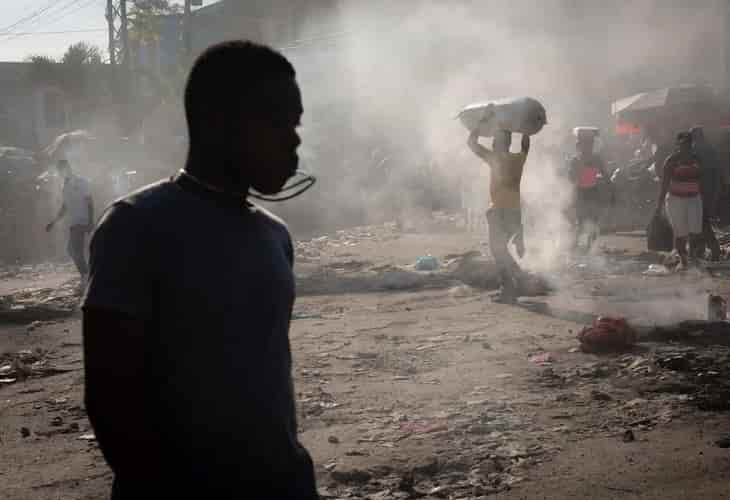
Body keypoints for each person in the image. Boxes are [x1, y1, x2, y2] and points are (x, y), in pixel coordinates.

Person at [82, 41, 318, 499]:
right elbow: (110, 399)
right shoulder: (135, 224)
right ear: (218, 122)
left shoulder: (275, 235)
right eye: (279, 121)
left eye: (296, 123)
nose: (295, 139)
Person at [468, 127, 529, 304]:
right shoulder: (518, 159)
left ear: (496, 143)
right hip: (515, 213)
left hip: (499, 212)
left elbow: (471, 143)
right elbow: (526, 145)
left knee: (498, 250)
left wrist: (480, 124)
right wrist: (525, 129)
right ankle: (517, 279)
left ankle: (509, 288)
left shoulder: (494, 158)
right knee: (501, 249)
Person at [656, 132, 703, 270]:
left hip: (694, 199)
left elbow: (701, 180)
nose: (685, 147)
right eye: (683, 144)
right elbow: (664, 184)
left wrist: (705, 198)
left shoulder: (697, 159)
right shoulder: (671, 161)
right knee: (680, 234)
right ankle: (684, 262)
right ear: (678, 145)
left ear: (691, 144)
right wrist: (659, 206)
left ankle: (693, 259)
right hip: (676, 201)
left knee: (695, 232)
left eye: (688, 144)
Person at [45, 159, 93, 280]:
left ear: (68, 168)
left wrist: (90, 221)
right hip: (74, 222)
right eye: (60, 171)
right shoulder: (64, 187)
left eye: (63, 169)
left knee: (73, 250)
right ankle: (86, 275)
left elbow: (89, 201)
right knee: (74, 250)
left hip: (82, 221)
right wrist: (54, 222)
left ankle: (86, 276)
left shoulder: (81, 182)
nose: (62, 173)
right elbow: (65, 207)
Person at [568, 131, 612, 252]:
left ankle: (590, 247)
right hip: (580, 192)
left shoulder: (596, 159)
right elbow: (571, 178)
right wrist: (580, 168)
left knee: (593, 221)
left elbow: (605, 176)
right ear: (579, 146)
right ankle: (575, 245)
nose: (588, 147)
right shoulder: (575, 160)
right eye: (585, 145)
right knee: (581, 222)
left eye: (590, 144)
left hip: (592, 191)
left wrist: (609, 187)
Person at [690, 126, 722, 261]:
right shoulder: (711, 149)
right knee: (701, 220)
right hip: (710, 190)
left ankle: (712, 250)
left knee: (700, 221)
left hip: (698, 191)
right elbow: (717, 172)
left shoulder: (694, 150)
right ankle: (701, 250)